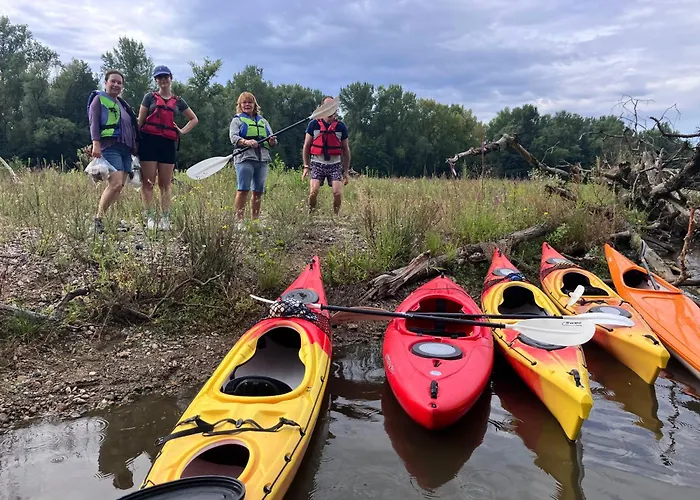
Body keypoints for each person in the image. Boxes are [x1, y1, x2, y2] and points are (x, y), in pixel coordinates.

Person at [138, 65, 198, 230]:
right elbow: (140, 121)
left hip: (167, 145)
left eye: (166, 77)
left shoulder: (178, 101)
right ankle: (150, 217)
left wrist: (181, 131)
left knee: (165, 184)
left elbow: (194, 119)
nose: (163, 80)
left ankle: (165, 218)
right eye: (159, 77)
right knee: (148, 182)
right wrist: (134, 144)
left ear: (171, 78)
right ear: (156, 80)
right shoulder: (149, 98)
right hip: (148, 142)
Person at [88, 69, 139, 234]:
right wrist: (96, 144)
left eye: (119, 83)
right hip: (109, 146)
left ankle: (112, 220)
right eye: (113, 81)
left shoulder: (122, 105)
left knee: (120, 186)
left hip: (125, 149)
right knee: (115, 183)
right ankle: (99, 219)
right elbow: (94, 123)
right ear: (106, 83)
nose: (116, 85)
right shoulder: (99, 100)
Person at [229, 92, 278, 228]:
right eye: (244, 103)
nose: (247, 105)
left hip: (262, 158)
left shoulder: (263, 121)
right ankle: (239, 221)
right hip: (244, 158)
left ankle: (255, 221)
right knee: (243, 189)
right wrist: (245, 141)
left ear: (254, 105)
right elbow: (233, 138)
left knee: (258, 191)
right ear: (240, 105)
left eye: (250, 102)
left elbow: (273, 141)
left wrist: (272, 140)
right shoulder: (237, 120)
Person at [302, 96, 351, 215]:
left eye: (332, 107)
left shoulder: (341, 126)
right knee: (313, 192)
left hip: (334, 164)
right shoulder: (313, 124)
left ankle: (336, 216)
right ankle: (311, 213)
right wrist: (306, 166)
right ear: (322, 108)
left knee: (337, 193)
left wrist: (346, 171)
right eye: (327, 106)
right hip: (317, 163)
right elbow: (306, 146)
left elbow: (346, 150)